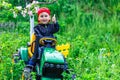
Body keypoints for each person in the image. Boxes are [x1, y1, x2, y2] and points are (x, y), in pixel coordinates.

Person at [24, 7, 60, 77]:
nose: (44, 18)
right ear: (39, 19)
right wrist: (42, 40)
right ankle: (29, 67)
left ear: (49, 18)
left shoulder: (51, 27)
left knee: (59, 55)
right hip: (40, 46)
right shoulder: (37, 27)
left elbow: (57, 29)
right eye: (42, 16)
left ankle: (65, 68)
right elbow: (38, 35)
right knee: (37, 55)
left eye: (46, 16)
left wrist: (55, 22)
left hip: (51, 48)